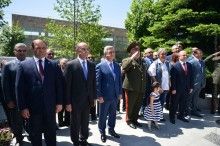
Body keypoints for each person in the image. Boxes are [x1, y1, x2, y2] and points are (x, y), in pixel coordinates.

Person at [15, 39, 63, 146]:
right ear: (32, 49)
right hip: (32, 108)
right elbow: (19, 88)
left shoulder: (54, 65)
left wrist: (59, 102)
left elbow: (59, 86)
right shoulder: (23, 65)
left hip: (50, 107)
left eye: (43, 48)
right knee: (35, 135)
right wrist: (22, 107)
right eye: (38, 48)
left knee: (51, 134)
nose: (41, 50)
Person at [64, 42, 96, 146]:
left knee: (85, 122)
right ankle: (75, 141)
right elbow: (67, 86)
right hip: (75, 101)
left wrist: (94, 98)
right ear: (78, 50)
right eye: (84, 49)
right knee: (75, 123)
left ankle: (84, 139)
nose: (86, 51)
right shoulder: (70, 65)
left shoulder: (91, 65)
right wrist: (67, 103)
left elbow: (93, 83)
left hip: (88, 99)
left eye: (87, 49)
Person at [1, 43, 27, 145]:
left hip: (30, 99)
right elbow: (5, 85)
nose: (22, 52)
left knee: (32, 120)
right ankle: (18, 138)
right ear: (14, 52)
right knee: (17, 121)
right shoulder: (8, 66)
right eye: (19, 50)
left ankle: (32, 136)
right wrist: (8, 100)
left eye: (24, 51)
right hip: (15, 100)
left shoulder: (31, 63)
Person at [96, 46, 122, 143]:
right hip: (104, 97)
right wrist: (99, 96)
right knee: (103, 115)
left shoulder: (116, 66)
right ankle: (102, 131)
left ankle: (111, 129)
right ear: (105, 54)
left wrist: (120, 92)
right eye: (110, 52)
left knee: (113, 114)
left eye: (113, 52)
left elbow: (119, 80)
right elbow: (97, 83)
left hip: (115, 95)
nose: (112, 54)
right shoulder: (100, 66)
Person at [122, 41, 147, 129]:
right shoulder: (127, 60)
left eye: (138, 50)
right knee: (130, 105)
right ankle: (129, 120)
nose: (138, 52)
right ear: (131, 52)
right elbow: (124, 67)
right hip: (131, 88)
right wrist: (131, 58)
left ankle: (135, 119)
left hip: (140, 88)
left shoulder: (142, 61)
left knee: (137, 105)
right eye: (135, 50)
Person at [169, 51, 193, 124]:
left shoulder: (189, 65)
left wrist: (191, 87)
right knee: (174, 103)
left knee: (183, 103)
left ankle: (181, 115)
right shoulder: (175, 66)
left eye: (186, 55)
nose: (185, 56)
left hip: (186, 88)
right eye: (183, 55)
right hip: (177, 89)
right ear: (179, 57)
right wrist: (173, 89)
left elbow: (191, 77)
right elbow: (173, 79)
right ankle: (172, 116)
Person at [148, 48, 171, 121]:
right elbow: (152, 75)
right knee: (156, 103)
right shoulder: (155, 64)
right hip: (157, 88)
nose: (164, 55)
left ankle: (159, 117)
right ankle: (154, 117)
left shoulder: (167, 63)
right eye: (162, 54)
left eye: (165, 54)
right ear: (158, 55)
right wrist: (158, 87)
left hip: (165, 87)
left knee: (161, 102)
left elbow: (168, 75)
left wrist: (169, 84)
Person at [187, 49, 206, 118]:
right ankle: (187, 112)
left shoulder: (202, 62)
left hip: (200, 84)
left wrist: (203, 82)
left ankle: (194, 111)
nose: (201, 54)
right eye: (199, 53)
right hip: (193, 84)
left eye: (201, 53)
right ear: (195, 54)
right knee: (189, 98)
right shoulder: (191, 62)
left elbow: (203, 73)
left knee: (195, 98)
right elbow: (188, 75)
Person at [58, 58, 70, 127]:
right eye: (63, 63)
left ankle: (67, 122)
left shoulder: (70, 71)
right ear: (60, 64)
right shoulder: (58, 71)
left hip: (68, 93)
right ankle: (61, 123)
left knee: (68, 108)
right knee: (60, 109)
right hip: (60, 93)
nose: (65, 65)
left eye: (66, 63)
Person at [87, 54, 97, 121]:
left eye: (92, 57)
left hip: (92, 88)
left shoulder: (94, 66)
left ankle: (93, 116)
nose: (90, 58)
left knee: (93, 103)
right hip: (84, 89)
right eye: (89, 57)